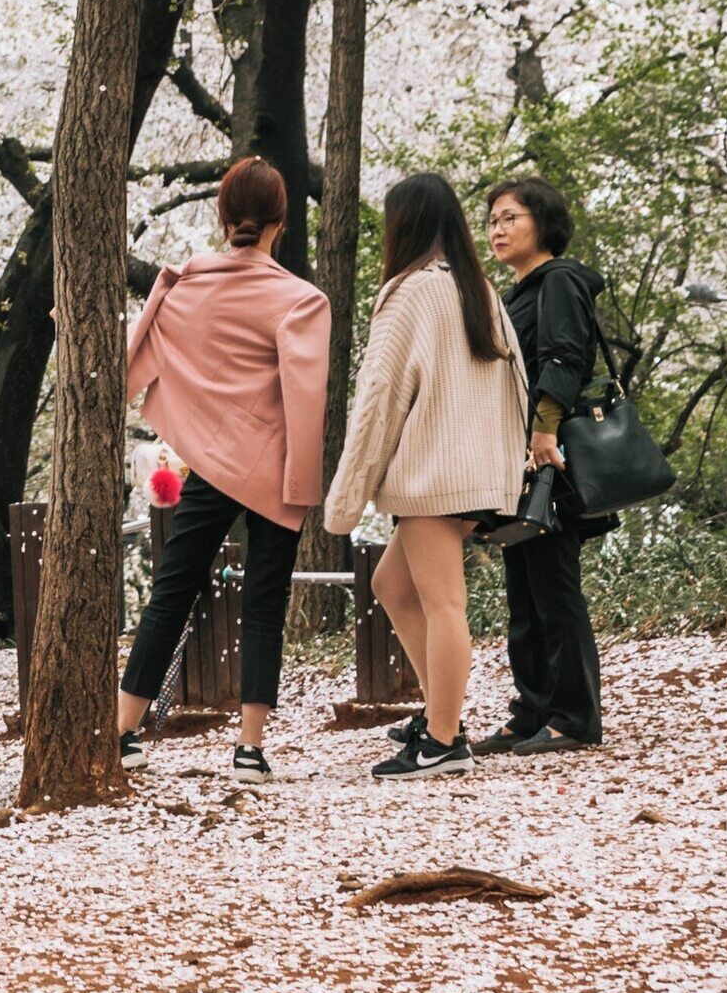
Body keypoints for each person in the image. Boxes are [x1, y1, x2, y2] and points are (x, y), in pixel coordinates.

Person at [111, 156, 331, 780]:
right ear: (280, 224)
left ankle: (124, 731)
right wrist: (301, 485)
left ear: (223, 214)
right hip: (273, 468)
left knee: (171, 593)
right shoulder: (301, 300)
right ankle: (250, 749)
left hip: (210, 460)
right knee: (264, 602)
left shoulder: (185, 282)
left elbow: (146, 355)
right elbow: (305, 399)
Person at [325, 171, 528, 780]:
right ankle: (443, 718)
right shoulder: (477, 289)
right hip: (474, 470)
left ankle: (443, 740)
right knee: (394, 586)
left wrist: (346, 495)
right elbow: (516, 386)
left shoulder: (409, 292)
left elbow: (379, 399)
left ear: (402, 225)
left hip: (429, 473)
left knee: (443, 603)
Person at [485, 176, 609, 753]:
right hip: (517, 458)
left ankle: (575, 716)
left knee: (554, 588)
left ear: (543, 223)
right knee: (524, 592)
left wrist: (545, 428)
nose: (498, 228)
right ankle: (532, 710)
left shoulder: (559, 280)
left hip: (548, 454)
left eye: (511, 217)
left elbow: (565, 355)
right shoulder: (516, 293)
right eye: (492, 220)